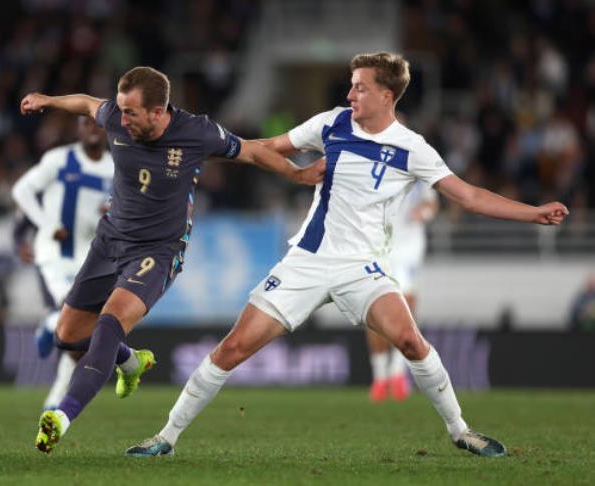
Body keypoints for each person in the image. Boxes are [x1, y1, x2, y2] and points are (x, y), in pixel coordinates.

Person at [126, 52, 568, 458]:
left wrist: (532, 214)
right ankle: (165, 437)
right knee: (233, 347)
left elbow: (467, 196)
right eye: (351, 85)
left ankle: (460, 430)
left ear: (385, 95)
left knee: (412, 341)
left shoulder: (412, 147)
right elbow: (268, 148)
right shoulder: (331, 124)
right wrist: (200, 149)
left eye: (359, 87)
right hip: (308, 260)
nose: (349, 94)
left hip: (363, 268)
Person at [19, 66, 325, 453]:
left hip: (156, 252)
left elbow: (250, 151)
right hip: (109, 240)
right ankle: (130, 363)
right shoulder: (115, 114)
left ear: (158, 111)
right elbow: (84, 103)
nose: (121, 118)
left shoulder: (197, 132)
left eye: (132, 112)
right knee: (68, 334)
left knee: (109, 324)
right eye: (121, 110)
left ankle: (60, 416)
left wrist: (297, 176)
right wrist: (47, 101)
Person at [11, 116, 155, 410]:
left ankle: (55, 397)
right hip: (54, 255)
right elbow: (21, 191)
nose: (93, 129)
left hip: (91, 260)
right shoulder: (59, 160)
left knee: (81, 334)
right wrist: (45, 225)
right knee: (67, 317)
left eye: (98, 125)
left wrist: (114, 209)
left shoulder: (117, 167)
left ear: (107, 130)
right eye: (86, 124)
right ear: (77, 129)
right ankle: (50, 324)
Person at [367, 180, 438, 402]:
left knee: (406, 308)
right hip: (379, 247)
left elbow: (432, 203)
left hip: (409, 248)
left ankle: (397, 374)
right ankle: (380, 377)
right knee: (374, 312)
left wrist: (424, 212)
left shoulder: (419, 166)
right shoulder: (375, 164)